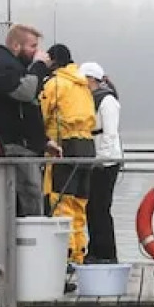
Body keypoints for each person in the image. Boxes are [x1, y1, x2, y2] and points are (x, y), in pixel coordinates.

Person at [0, 23, 59, 218]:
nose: (37, 52)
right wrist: (39, 66)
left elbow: (26, 112)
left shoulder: (18, 69)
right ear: (16, 46)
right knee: (29, 199)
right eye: (33, 46)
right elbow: (25, 92)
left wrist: (43, 141)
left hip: (27, 147)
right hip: (14, 148)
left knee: (32, 199)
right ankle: (24, 236)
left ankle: (28, 235)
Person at [39, 44, 98, 267]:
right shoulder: (83, 84)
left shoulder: (55, 83)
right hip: (88, 148)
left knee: (61, 202)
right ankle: (79, 254)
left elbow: (41, 114)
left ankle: (66, 255)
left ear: (53, 61)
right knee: (79, 204)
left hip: (65, 146)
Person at [80, 61, 123, 263]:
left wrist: (103, 158)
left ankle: (107, 252)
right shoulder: (89, 99)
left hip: (107, 163)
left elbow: (110, 133)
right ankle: (94, 249)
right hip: (94, 159)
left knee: (101, 207)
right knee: (91, 207)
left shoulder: (107, 101)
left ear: (91, 79)